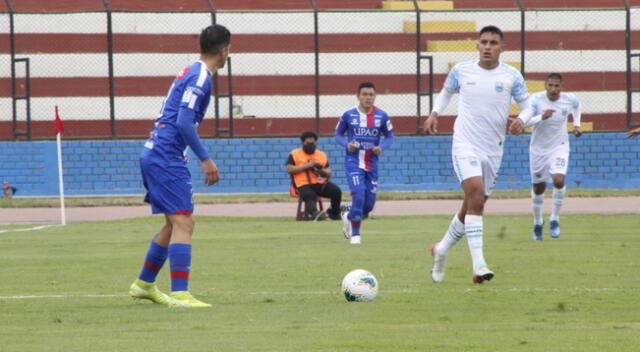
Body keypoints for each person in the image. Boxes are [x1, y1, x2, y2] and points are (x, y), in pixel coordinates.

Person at [128, 24, 231, 308]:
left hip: (157, 151)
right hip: (165, 155)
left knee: (173, 223)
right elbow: (184, 121)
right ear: (224, 50)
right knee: (185, 221)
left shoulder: (191, 70)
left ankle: (144, 284)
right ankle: (180, 294)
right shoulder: (201, 77)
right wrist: (206, 159)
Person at [424, 25, 532, 283]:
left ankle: (442, 250)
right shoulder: (462, 70)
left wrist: (522, 120)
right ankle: (479, 265)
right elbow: (446, 92)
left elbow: (527, 107)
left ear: (501, 48)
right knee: (474, 194)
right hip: (465, 143)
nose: (487, 46)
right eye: (483, 42)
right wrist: (434, 113)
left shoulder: (511, 76)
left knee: (474, 204)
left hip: (493, 148)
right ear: (477, 46)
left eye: (493, 43)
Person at [517, 73, 582, 241]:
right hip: (538, 150)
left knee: (559, 180)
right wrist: (542, 117)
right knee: (539, 188)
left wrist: (576, 124)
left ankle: (555, 219)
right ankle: (538, 222)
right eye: (550, 86)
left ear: (561, 87)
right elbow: (526, 122)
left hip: (559, 147)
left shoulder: (569, 99)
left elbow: (577, 105)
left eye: (557, 86)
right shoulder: (536, 100)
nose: (553, 89)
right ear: (546, 86)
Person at [335, 82, 394, 244]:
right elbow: (338, 135)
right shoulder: (348, 115)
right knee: (358, 195)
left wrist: (381, 147)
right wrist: (347, 145)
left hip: (372, 164)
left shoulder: (382, 116)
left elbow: (390, 136)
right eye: (365, 94)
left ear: (375, 96)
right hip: (353, 162)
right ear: (358, 96)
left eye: (371, 95)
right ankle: (356, 236)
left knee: (368, 206)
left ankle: (348, 216)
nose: (368, 98)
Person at [286, 131, 343, 221]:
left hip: (319, 183)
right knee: (310, 194)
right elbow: (289, 169)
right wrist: (307, 166)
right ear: (302, 143)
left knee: (336, 191)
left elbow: (329, 171)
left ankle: (334, 213)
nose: (311, 145)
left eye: (313, 143)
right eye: (308, 143)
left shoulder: (321, 155)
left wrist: (320, 171)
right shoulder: (295, 154)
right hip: (302, 185)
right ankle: (315, 213)